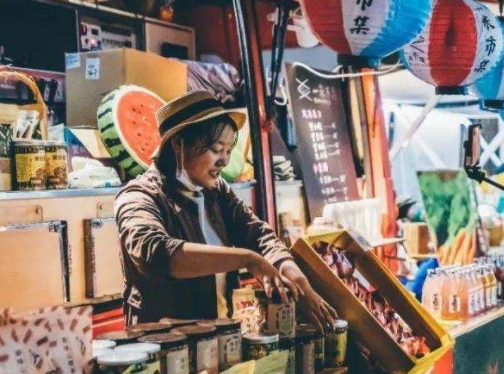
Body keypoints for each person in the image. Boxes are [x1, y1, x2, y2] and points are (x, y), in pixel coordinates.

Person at [115, 90, 337, 329]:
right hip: (165, 347)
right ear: (179, 145)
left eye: (229, 150)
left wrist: (297, 280)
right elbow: (154, 253)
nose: (224, 161)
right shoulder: (139, 197)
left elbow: (257, 233)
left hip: (219, 338)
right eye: (216, 149)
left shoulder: (216, 190)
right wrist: (247, 258)